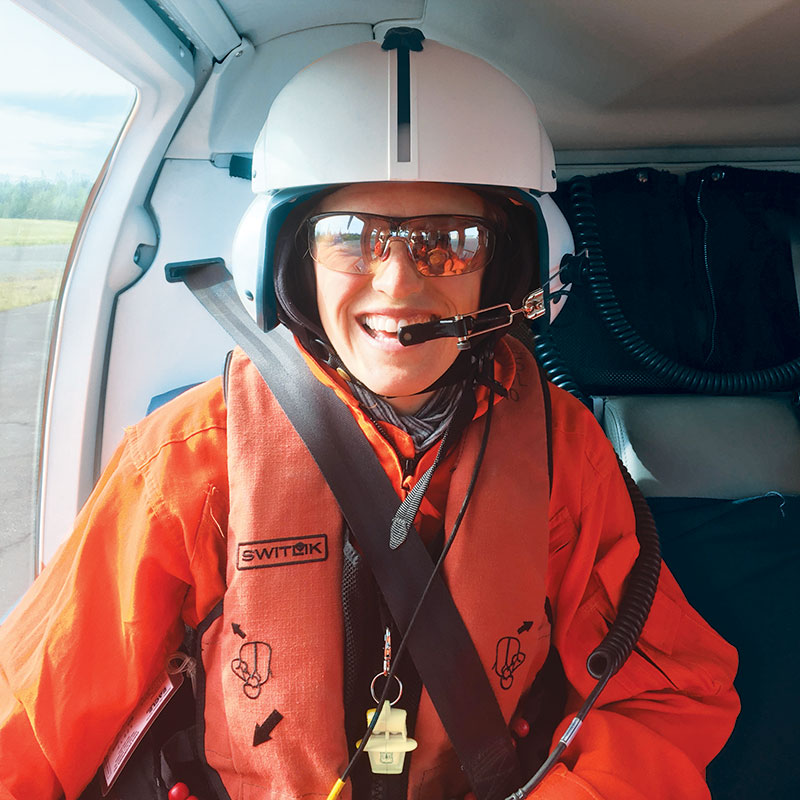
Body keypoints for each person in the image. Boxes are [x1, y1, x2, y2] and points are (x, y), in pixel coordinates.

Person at [0, 30, 738, 800]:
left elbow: (667, 693)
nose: (399, 282)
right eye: (351, 238)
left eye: (449, 243)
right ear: (288, 263)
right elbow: (29, 721)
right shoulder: (192, 459)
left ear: (507, 266)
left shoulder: (562, 451)